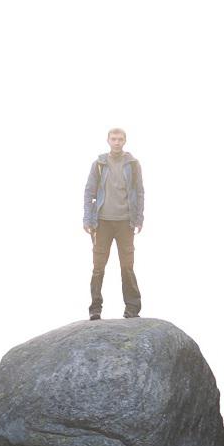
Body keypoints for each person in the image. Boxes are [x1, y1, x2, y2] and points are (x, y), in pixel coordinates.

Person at [83, 128, 144, 320]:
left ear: (125, 141)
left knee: (127, 267)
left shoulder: (133, 164)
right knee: (98, 267)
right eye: (113, 139)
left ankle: (132, 309)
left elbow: (140, 192)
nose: (117, 142)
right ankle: (95, 309)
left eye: (120, 139)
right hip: (102, 223)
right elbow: (89, 192)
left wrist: (139, 218)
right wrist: (88, 219)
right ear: (108, 141)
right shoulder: (99, 164)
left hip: (125, 222)